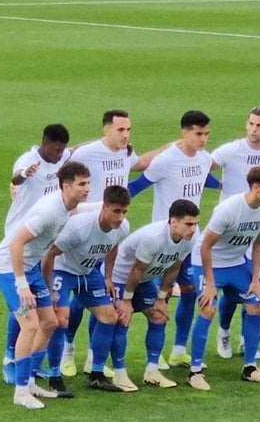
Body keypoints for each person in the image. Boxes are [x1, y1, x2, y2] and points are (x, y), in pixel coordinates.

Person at [61, 110, 157, 378]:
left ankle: (94, 356)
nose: (125, 135)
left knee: (103, 299)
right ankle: (68, 349)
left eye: (128, 130)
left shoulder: (126, 154)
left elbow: (142, 163)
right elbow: (59, 168)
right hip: (82, 233)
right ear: (106, 130)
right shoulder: (86, 153)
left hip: (109, 234)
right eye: (120, 130)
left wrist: (175, 145)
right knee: (78, 303)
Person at [0, 161, 91, 409]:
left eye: (88, 183)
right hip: (8, 268)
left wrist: (47, 286)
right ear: (66, 186)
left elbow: (88, 208)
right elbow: (16, 243)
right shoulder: (49, 211)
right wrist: (22, 284)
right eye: (82, 184)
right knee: (31, 324)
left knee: (50, 322)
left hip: (33, 268)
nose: (87, 188)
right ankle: (21, 391)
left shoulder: (68, 206)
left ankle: (31, 380)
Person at [127, 110, 218, 369]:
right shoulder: (165, 160)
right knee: (158, 297)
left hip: (192, 241)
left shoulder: (204, 159)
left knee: (190, 291)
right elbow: (138, 186)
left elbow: (203, 179)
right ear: (184, 132)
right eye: (199, 134)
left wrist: (223, 186)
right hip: (163, 241)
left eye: (206, 134)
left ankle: (179, 349)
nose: (203, 139)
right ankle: (154, 358)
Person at [186, 165, 260, 391]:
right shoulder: (229, 209)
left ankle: (250, 368)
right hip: (209, 263)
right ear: (256, 188)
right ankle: (194, 371)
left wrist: (255, 280)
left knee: (257, 305)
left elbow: (258, 244)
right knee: (208, 308)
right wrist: (209, 283)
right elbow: (205, 247)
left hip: (236, 263)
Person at [209, 106, 260, 360]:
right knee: (233, 292)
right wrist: (219, 184)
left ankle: (246, 339)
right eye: (251, 124)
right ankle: (223, 332)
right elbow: (201, 168)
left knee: (259, 294)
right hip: (229, 228)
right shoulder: (231, 150)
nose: (254, 130)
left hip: (256, 227)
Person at [40, 185, 132, 395]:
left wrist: (108, 277)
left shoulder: (123, 227)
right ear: (104, 207)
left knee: (109, 317)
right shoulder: (78, 227)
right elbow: (49, 255)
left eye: (124, 211)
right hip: (63, 271)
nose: (120, 217)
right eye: (116, 211)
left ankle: (96, 375)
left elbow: (113, 246)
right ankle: (55, 377)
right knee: (61, 319)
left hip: (88, 272)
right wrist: (48, 289)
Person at [104, 199, 201, 391]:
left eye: (196, 223)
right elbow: (136, 269)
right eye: (189, 224)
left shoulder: (190, 237)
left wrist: (161, 299)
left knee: (159, 317)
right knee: (123, 319)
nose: (193, 228)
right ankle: (119, 374)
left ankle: (152, 371)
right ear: (173, 222)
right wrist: (126, 301)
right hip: (121, 277)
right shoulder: (153, 237)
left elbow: (174, 267)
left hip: (145, 279)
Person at [1, 124, 71, 385]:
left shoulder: (63, 157)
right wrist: (21, 175)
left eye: (62, 150)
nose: (59, 155)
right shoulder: (28, 161)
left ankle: (28, 363)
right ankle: (10, 359)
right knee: (21, 305)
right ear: (44, 143)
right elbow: (17, 177)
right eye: (56, 149)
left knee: (40, 309)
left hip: (43, 240)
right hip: (20, 239)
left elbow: (78, 150)